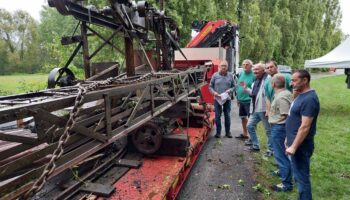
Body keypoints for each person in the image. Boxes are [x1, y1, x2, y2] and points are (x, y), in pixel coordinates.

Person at [286, 70, 320, 200]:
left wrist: (294, 146)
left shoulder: (310, 99)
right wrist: (287, 139)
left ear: (305, 80)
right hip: (294, 142)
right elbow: (293, 118)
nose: (291, 83)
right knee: (298, 177)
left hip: (301, 146)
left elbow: (305, 126)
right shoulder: (300, 95)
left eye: (294, 80)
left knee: (302, 179)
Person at [241, 63, 273, 156]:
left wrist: (269, 109)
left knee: (268, 130)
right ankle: (256, 145)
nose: (255, 71)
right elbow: (253, 93)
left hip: (264, 109)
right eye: (254, 70)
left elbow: (270, 95)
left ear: (263, 70)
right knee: (250, 126)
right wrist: (245, 89)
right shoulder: (256, 80)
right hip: (256, 108)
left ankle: (270, 150)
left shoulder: (268, 79)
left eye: (257, 69)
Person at [268, 74, 293, 192]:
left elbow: (285, 115)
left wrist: (275, 123)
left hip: (279, 128)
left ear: (273, 84)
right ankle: (284, 174)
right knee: (282, 155)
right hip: (279, 128)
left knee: (281, 155)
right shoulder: (285, 93)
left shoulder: (281, 97)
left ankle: (286, 184)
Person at [209, 60, 235, 138]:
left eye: (225, 65)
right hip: (217, 99)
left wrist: (230, 90)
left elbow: (234, 86)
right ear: (219, 67)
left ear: (227, 67)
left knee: (227, 115)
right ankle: (218, 133)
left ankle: (228, 132)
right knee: (217, 116)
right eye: (222, 65)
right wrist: (214, 93)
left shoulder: (230, 75)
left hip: (227, 99)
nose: (223, 67)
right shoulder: (215, 75)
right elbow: (210, 86)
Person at [235, 59, 255, 140]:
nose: (245, 66)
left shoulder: (254, 75)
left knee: (251, 120)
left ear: (251, 66)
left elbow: (254, 89)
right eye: (243, 64)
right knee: (243, 117)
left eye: (247, 64)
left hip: (249, 101)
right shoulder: (241, 74)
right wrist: (237, 99)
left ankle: (252, 137)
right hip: (241, 100)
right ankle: (245, 134)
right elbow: (239, 86)